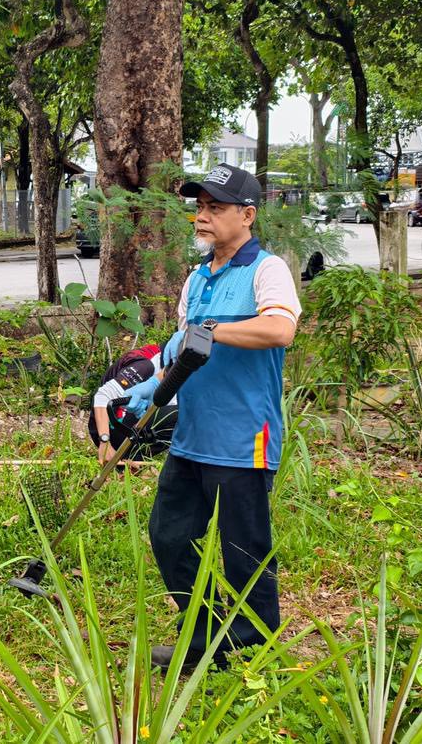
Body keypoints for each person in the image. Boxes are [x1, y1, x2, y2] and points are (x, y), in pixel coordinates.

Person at [125, 163, 301, 671]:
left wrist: (213, 330)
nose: (202, 218)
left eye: (215, 208)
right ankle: (206, 630)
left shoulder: (266, 270)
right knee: (168, 534)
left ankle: (251, 642)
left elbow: (279, 330)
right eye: (199, 208)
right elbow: (184, 350)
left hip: (244, 437)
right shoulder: (197, 279)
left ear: (246, 215)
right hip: (192, 435)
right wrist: (150, 392)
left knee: (243, 551)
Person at [88, 342, 180, 465]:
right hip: (111, 427)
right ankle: (126, 456)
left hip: (136, 420)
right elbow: (102, 396)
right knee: (180, 414)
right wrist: (105, 441)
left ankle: (134, 458)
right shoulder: (146, 365)